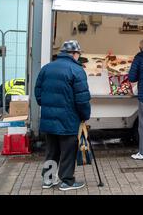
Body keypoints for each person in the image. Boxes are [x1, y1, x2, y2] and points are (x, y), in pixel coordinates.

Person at [35, 40, 91, 191]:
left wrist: (47, 106)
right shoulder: (77, 70)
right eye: (78, 54)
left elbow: (38, 93)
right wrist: (85, 115)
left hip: (49, 118)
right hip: (68, 119)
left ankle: (48, 179)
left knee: (51, 150)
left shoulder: (46, 68)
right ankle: (67, 181)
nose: (79, 57)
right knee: (68, 150)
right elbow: (82, 98)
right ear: (74, 54)